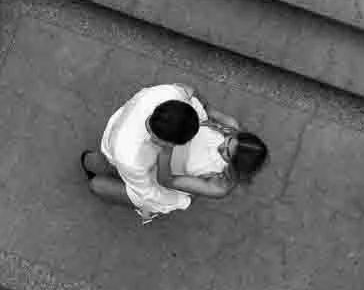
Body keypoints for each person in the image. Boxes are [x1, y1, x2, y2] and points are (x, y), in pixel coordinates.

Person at [79, 83, 251, 222]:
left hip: (118, 128)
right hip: (121, 156)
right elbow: (149, 193)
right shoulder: (132, 159)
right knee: (99, 185)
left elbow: (189, 90)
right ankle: (100, 176)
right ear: (164, 143)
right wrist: (182, 201)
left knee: (95, 162)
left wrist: (207, 110)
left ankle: (93, 162)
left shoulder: (169, 93)